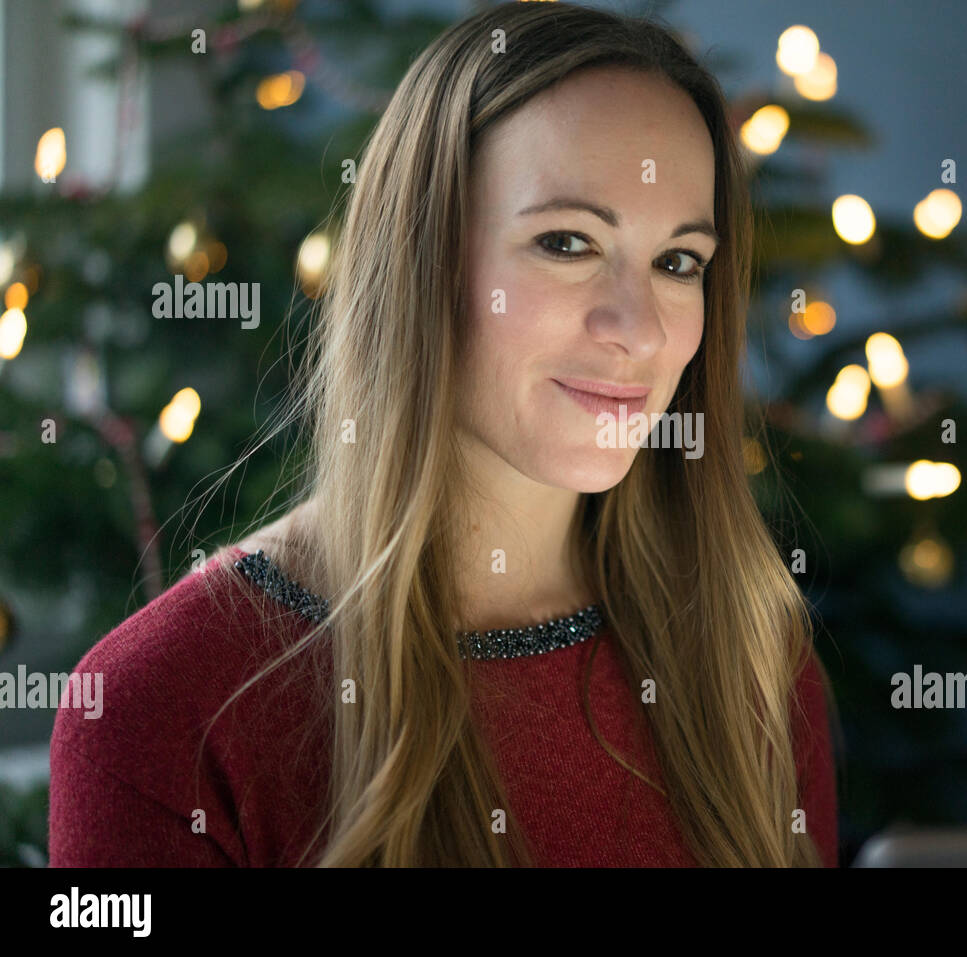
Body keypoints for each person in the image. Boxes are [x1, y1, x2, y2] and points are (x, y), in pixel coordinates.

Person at [48, 0, 840, 867]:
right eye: (568, 242)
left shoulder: (751, 659)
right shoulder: (158, 702)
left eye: (678, 261)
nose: (640, 329)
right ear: (423, 259)